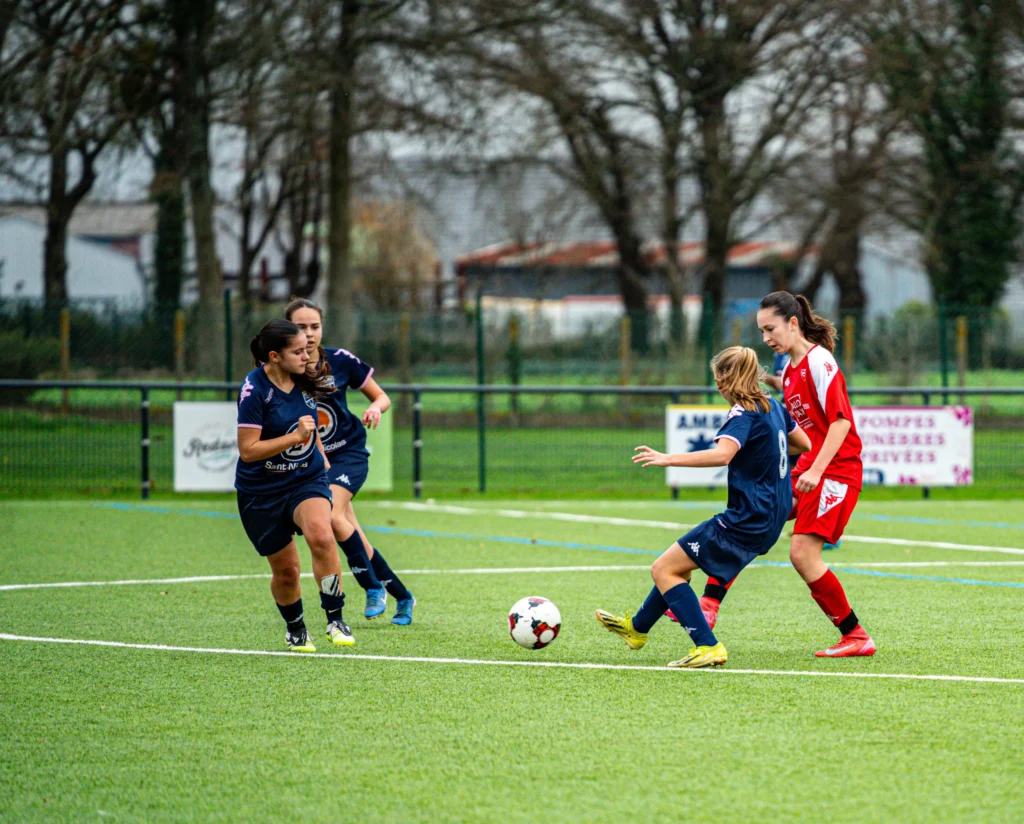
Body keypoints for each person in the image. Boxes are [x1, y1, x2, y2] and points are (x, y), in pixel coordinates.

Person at [595, 347, 811, 668]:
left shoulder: (743, 412)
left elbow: (723, 455)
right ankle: (637, 628)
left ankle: (707, 646)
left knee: (663, 569)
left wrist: (669, 459)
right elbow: (804, 443)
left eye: (717, 379)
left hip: (747, 518)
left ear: (724, 380)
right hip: (771, 517)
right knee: (678, 565)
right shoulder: (774, 406)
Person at [700, 291, 874, 657]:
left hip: (836, 472)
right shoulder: (793, 369)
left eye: (770, 329)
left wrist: (817, 470)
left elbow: (841, 423)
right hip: (810, 468)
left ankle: (856, 636)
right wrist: (758, 377)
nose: (766, 338)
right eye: (761, 331)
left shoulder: (820, 361)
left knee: (802, 555)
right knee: (754, 519)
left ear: (793, 323)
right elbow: (789, 396)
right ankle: (709, 604)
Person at [285, 298, 416, 626]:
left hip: (348, 454)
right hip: (315, 463)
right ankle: (403, 596)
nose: (309, 333)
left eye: (315, 326)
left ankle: (372, 587)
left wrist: (375, 408)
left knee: (330, 516)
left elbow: (381, 396)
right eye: (300, 327)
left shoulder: (340, 360)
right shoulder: (285, 370)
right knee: (351, 530)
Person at [236, 318, 355, 651]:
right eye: (298, 351)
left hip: (306, 478)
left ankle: (335, 619)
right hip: (261, 491)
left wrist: (320, 453)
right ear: (275, 356)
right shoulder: (254, 390)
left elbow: (314, 423)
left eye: (307, 349)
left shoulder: (308, 378)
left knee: (322, 535)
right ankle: (296, 629)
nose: (307, 356)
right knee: (287, 571)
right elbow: (248, 451)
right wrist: (295, 437)